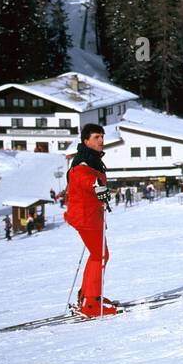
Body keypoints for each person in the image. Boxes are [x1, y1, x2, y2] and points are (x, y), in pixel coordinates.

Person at [64, 123, 117, 317]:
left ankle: (88, 297)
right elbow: (82, 177)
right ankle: (91, 304)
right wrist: (96, 185)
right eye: (96, 137)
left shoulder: (92, 158)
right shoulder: (83, 162)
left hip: (90, 216)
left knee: (99, 254)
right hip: (85, 217)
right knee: (100, 255)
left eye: (102, 136)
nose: (101, 140)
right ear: (86, 141)